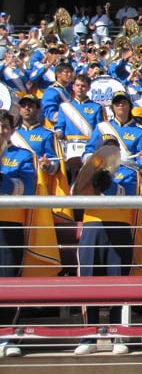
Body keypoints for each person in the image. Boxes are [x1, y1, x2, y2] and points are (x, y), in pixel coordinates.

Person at [73, 137, 139, 356]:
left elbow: (128, 195)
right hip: (92, 226)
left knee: (118, 281)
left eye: (113, 150)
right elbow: (76, 193)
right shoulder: (87, 172)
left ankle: (118, 334)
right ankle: (88, 335)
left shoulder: (128, 171)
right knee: (88, 282)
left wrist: (107, 183)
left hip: (119, 227)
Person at [0, 110, 37, 358]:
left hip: (8, 223)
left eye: (4, 126)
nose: (1, 130)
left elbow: (26, 187)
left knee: (7, 280)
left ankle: (7, 335)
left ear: (12, 130)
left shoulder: (23, 155)